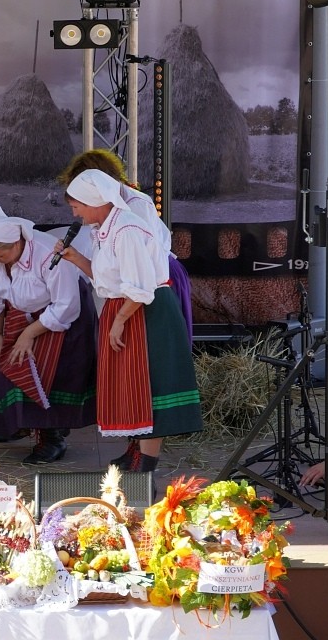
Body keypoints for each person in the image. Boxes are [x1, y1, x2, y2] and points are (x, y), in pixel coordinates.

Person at [57, 169, 203, 472]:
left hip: (145, 312)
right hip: (128, 307)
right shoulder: (107, 230)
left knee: (149, 385)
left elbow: (140, 287)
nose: (75, 213)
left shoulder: (127, 230)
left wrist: (120, 320)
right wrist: (76, 259)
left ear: (95, 201)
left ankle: (146, 464)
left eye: (77, 206)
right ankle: (137, 454)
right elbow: (113, 280)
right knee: (131, 384)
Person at [0, 203, 98, 464]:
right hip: (22, 313)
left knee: (49, 374)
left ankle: (51, 438)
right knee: (12, 367)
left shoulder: (47, 253)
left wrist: (28, 334)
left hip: (65, 315)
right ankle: (35, 425)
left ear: (17, 243)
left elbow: (66, 305)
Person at [58, 149, 192, 347]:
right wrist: (77, 258)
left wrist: (121, 316)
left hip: (158, 280)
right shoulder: (106, 220)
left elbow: (144, 271)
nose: (75, 213)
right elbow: (113, 271)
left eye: (78, 202)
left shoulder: (132, 212)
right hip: (134, 293)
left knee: (158, 359)